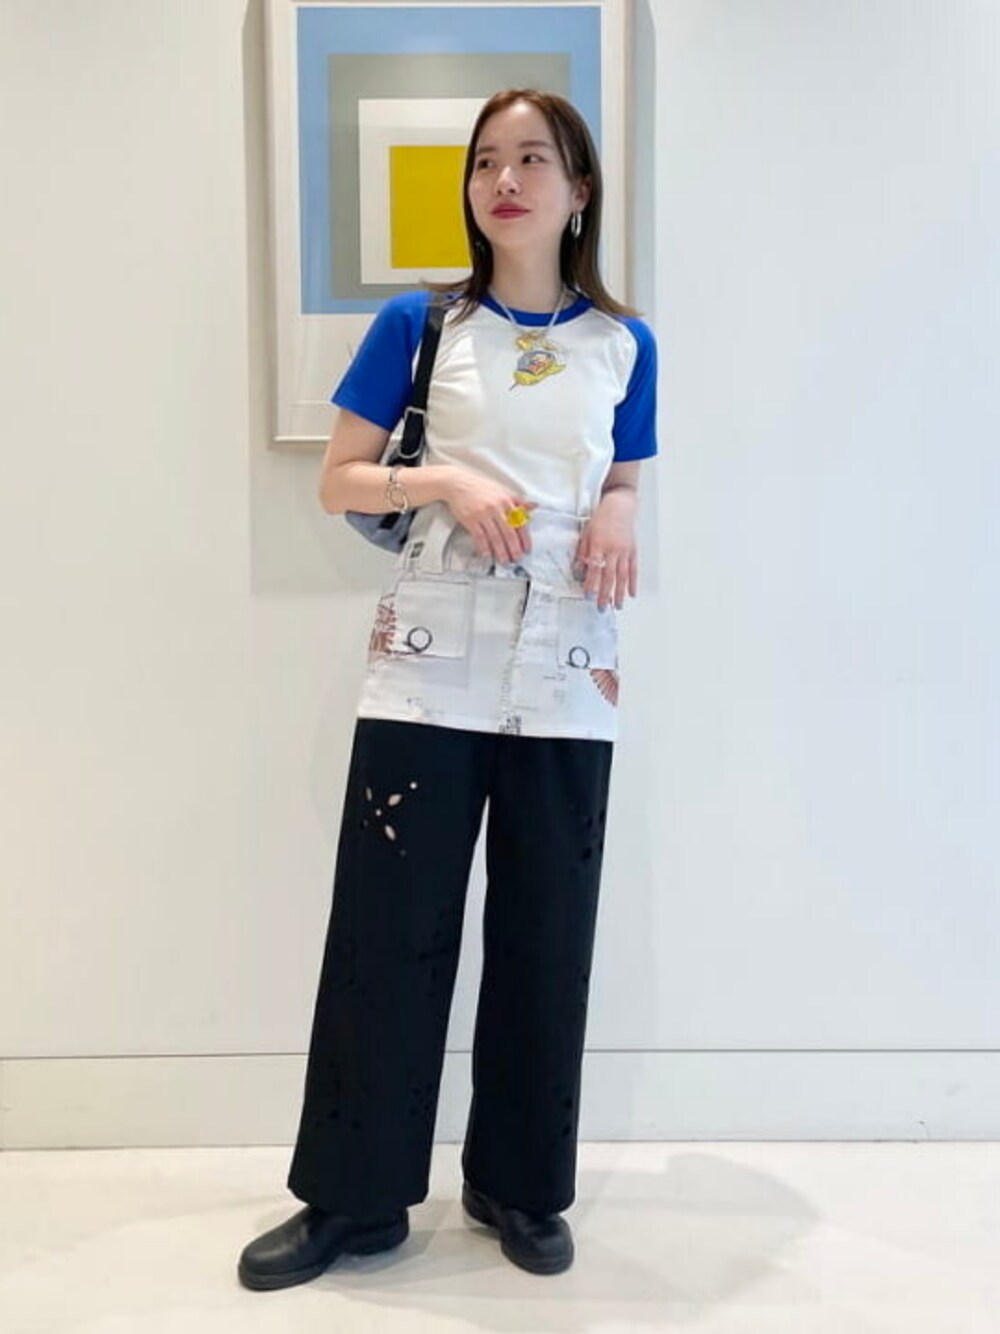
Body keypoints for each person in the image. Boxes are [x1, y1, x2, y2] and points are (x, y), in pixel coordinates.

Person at [238, 87, 658, 1289]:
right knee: (388, 926)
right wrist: (444, 481)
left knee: (546, 927)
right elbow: (340, 480)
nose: (504, 180)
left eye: (532, 159)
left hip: (569, 667)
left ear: (578, 190)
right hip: (428, 669)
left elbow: (622, 471)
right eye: (485, 162)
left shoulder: (624, 343)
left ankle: (517, 1183)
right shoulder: (421, 324)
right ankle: (354, 1197)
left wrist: (619, 509)